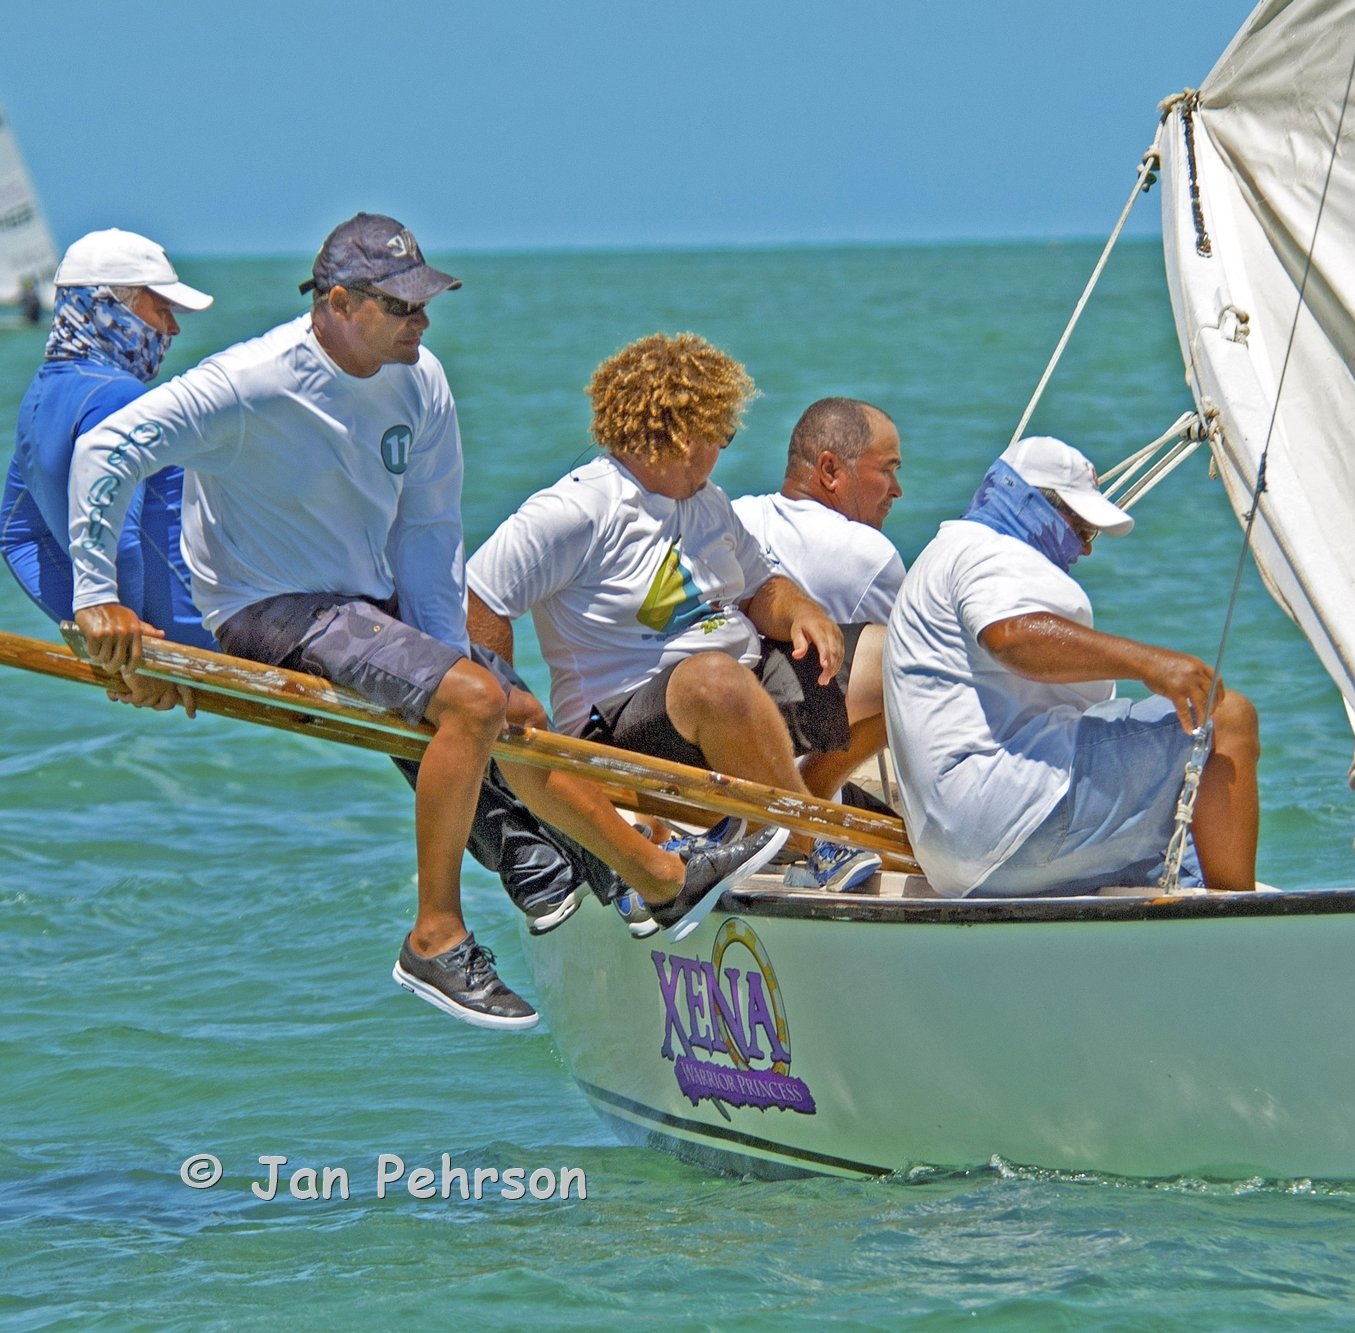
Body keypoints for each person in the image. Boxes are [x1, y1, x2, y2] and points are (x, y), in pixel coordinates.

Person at [65, 214, 776, 1031]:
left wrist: (450, 658)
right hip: (265, 605)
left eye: (424, 302)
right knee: (472, 702)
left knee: (515, 710)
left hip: (369, 600)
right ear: (338, 302)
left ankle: (630, 880)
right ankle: (436, 935)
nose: (423, 321)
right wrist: (96, 596)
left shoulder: (421, 380)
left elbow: (431, 535)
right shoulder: (249, 380)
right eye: (402, 307)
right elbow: (108, 448)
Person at [466, 333, 888, 922]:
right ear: (686, 437)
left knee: (896, 660)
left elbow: (761, 587)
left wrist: (801, 612)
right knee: (714, 680)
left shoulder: (708, 502)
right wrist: (509, 712)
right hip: (623, 724)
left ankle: (782, 811)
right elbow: (483, 594)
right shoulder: (577, 510)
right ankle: (805, 839)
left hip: (739, 692)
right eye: (724, 435)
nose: (726, 449)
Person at [883, 435, 1261, 898]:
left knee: (1173, 856)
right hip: (1007, 821)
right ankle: (1243, 929)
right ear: (1030, 503)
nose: (1086, 550)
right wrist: (1148, 664)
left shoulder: (946, 552)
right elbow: (1010, 636)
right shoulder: (989, 553)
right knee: (1226, 719)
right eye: (1082, 530)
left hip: (958, 855)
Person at [4, 230, 213, 713]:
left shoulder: (39, 397)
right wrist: (138, 658)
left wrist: (107, 649)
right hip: (220, 630)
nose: (173, 328)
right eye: (161, 309)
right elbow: (115, 535)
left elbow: (17, 532)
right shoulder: (118, 398)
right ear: (106, 308)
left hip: (166, 639)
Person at [731, 397, 905, 624]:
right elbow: (905, 656)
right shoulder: (870, 556)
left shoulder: (731, 519)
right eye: (887, 470)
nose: (897, 490)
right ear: (829, 470)